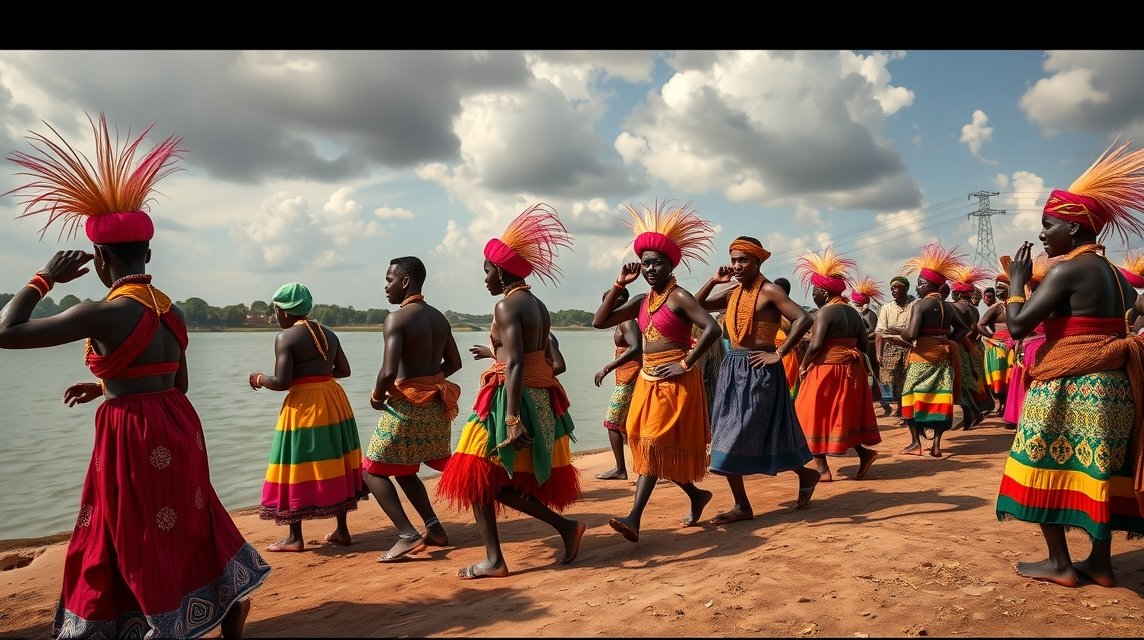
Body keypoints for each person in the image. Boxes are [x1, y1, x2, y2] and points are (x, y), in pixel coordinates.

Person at [0, 114, 267, 638]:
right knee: (188, 518)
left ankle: (153, 621)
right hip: (178, 423)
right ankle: (224, 600)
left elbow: (7, 331)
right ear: (148, 253)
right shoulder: (172, 311)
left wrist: (44, 277)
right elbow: (176, 382)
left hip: (132, 432)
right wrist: (107, 383)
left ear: (99, 259)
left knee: (131, 531)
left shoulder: (100, 312)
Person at [996, 141, 1144, 588]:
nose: (1043, 235)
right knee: (1099, 470)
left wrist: (1017, 283)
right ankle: (1100, 564)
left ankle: (1061, 563)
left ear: (1075, 228)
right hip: (1115, 385)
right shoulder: (1117, 275)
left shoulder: (1066, 271)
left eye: (1049, 226)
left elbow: (1018, 325)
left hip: (1070, 384)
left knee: (1040, 463)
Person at [435, 203, 584, 579]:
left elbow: (516, 362)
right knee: (488, 481)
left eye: (486, 270)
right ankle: (563, 529)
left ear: (500, 272)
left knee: (474, 475)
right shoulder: (538, 304)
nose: (484, 278)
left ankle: (495, 560)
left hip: (509, 401)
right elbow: (529, 355)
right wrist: (494, 354)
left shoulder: (505, 306)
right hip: (538, 396)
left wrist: (513, 418)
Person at [593, 200, 721, 542]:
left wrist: (684, 363)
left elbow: (712, 328)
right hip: (648, 380)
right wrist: (619, 284)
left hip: (676, 380)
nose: (650, 269)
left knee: (651, 443)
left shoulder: (679, 297)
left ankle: (634, 518)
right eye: (646, 264)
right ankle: (696, 495)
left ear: (670, 264)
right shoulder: (641, 301)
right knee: (644, 441)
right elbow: (600, 321)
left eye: (657, 263)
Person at [692, 236, 820, 525]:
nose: (736, 265)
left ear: (758, 261)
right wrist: (714, 281)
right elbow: (696, 306)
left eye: (743, 260)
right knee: (729, 432)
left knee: (741, 434)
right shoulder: (731, 293)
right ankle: (744, 504)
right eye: (734, 259)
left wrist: (780, 352)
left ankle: (799, 475)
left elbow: (803, 319)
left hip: (761, 368)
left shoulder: (771, 291)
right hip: (733, 368)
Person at [249, 282, 369, 552]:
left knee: (297, 462)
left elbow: (281, 381)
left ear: (285, 311)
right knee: (335, 458)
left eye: (276, 310)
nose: (275, 316)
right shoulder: (328, 333)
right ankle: (342, 530)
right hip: (333, 399)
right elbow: (344, 370)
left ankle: (294, 537)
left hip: (304, 404)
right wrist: (319, 376)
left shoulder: (286, 337)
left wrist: (258, 378)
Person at [362, 256, 462, 562]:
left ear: (405, 282)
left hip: (408, 406)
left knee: (371, 471)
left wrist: (377, 397)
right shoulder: (439, 318)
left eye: (390, 280)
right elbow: (455, 364)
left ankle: (407, 535)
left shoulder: (397, 319)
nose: (386, 286)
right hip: (436, 406)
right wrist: (429, 381)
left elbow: (388, 372)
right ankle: (434, 528)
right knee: (403, 469)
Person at [792, 247, 881, 482]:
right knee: (841, 417)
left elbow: (817, 344)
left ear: (822, 291)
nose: (813, 295)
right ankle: (864, 453)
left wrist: (804, 365)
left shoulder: (823, 313)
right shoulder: (853, 313)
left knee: (809, 415)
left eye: (814, 291)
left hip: (826, 370)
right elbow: (863, 343)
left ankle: (822, 469)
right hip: (852, 370)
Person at [898, 243, 970, 457]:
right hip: (943, 357)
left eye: (920, 283)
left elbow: (910, 334)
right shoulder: (948, 306)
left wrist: (895, 334)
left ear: (929, 285)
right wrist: (948, 341)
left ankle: (915, 444)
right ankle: (936, 445)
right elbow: (963, 328)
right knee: (940, 398)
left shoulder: (920, 305)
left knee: (909, 395)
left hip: (921, 357)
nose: (917, 287)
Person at [591, 286, 643, 480]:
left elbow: (636, 347)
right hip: (626, 375)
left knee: (613, 422)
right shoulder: (623, 321)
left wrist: (607, 368)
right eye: (610, 300)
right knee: (628, 424)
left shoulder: (627, 321)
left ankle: (621, 469)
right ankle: (641, 467)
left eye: (620, 299)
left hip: (630, 376)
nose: (615, 302)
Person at [1002, 253, 1053, 428]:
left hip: (1035, 352)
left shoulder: (1036, 303)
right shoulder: (1051, 300)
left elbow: (1016, 328)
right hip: (1043, 350)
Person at [947, 265, 993, 429]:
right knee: (966, 381)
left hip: (958, 347)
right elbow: (972, 329)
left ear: (958, 293)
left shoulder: (954, 307)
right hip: (970, 347)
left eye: (953, 292)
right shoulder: (974, 309)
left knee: (960, 382)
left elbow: (956, 329)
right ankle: (970, 415)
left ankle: (973, 412)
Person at [875, 275, 916, 423]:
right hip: (891, 350)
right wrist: (878, 352)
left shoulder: (915, 305)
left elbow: (912, 331)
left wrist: (894, 331)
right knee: (895, 382)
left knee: (909, 380)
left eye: (897, 287)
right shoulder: (887, 308)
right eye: (892, 288)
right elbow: (881, 331)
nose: (894, 290)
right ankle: (900, 408)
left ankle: (909, 411)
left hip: (911, 348)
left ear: (905, 289)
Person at [851, 275, 892, 416]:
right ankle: (881, 404)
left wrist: (859, 337)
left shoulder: (870, 314)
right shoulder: (860, 314)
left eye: (855, 302)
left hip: (869, 349)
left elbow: (874, 331)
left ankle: (884, 404)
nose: (853, 303)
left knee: (873, 377)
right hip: (863, 348)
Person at [978, 267, 1014, 417]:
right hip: (998, 346)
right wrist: (992, 337)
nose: (998, 292)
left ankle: (1009, 404)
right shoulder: (997, 308)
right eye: (997, 289)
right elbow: (980, 325)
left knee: (1011, 376)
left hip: (1014, 345)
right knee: (999, 378)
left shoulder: (1015, 304)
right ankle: (1001, 403)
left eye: (1001, 289)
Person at [772, 277, 804, 399]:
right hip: (781, 356)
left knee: (785, 394)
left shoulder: (787, 311)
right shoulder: (792, 309)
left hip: (785, 357)